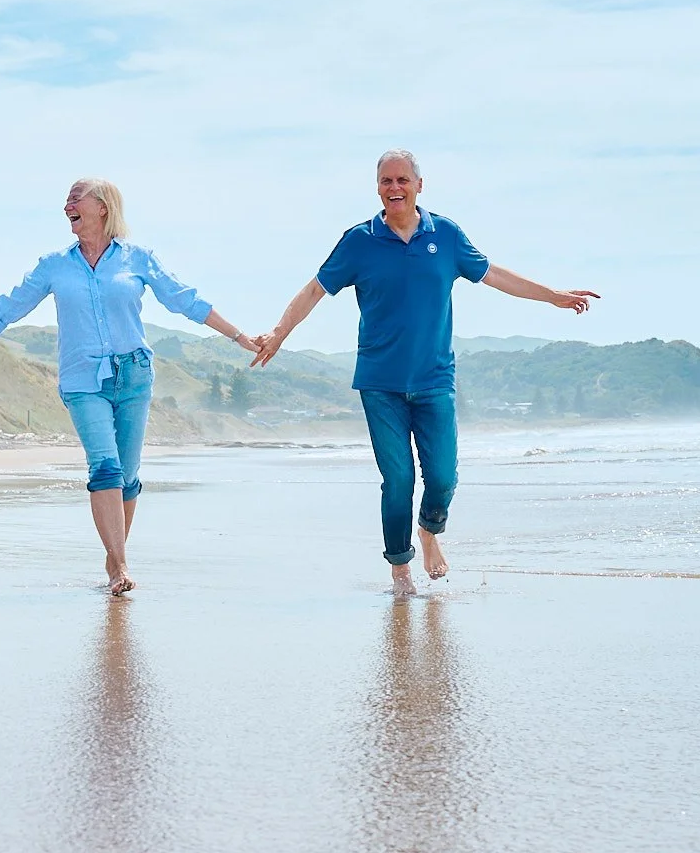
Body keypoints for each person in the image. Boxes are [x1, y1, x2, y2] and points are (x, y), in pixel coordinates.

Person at [253, 150, 597, 594]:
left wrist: (552, 295)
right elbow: (314, 289)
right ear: (377, 187)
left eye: (401, 180)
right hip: (380, 383)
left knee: (443, 478)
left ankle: (429, 531)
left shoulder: (446, 235)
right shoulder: (359, 240)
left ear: (419, 184)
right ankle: (400, 567)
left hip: (435, 381)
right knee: (398, 479)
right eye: (385, 181)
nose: (393, 188)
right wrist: (279, 333)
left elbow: (493, 275)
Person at [0, 178, 263, 595]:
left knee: (127, 478)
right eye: (67, 199)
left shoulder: (138, 259)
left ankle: (112, 558)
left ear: (103, 206)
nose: (67, 204)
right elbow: (8, 307)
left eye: (76, 197)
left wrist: (240, 337)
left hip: (133, 375)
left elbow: (186, 300)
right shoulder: (54, 265)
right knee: (105, 468)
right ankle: (121, 566)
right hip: (81, 380)